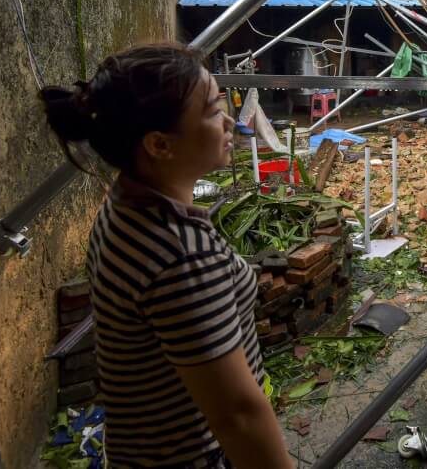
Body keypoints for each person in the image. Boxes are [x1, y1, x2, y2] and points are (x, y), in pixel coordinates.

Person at [41, 44, 293, 469]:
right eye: (213, 112)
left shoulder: (124, 202)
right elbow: (238, 417)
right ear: (159, 144)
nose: (230, 121)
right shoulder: (180, 256)